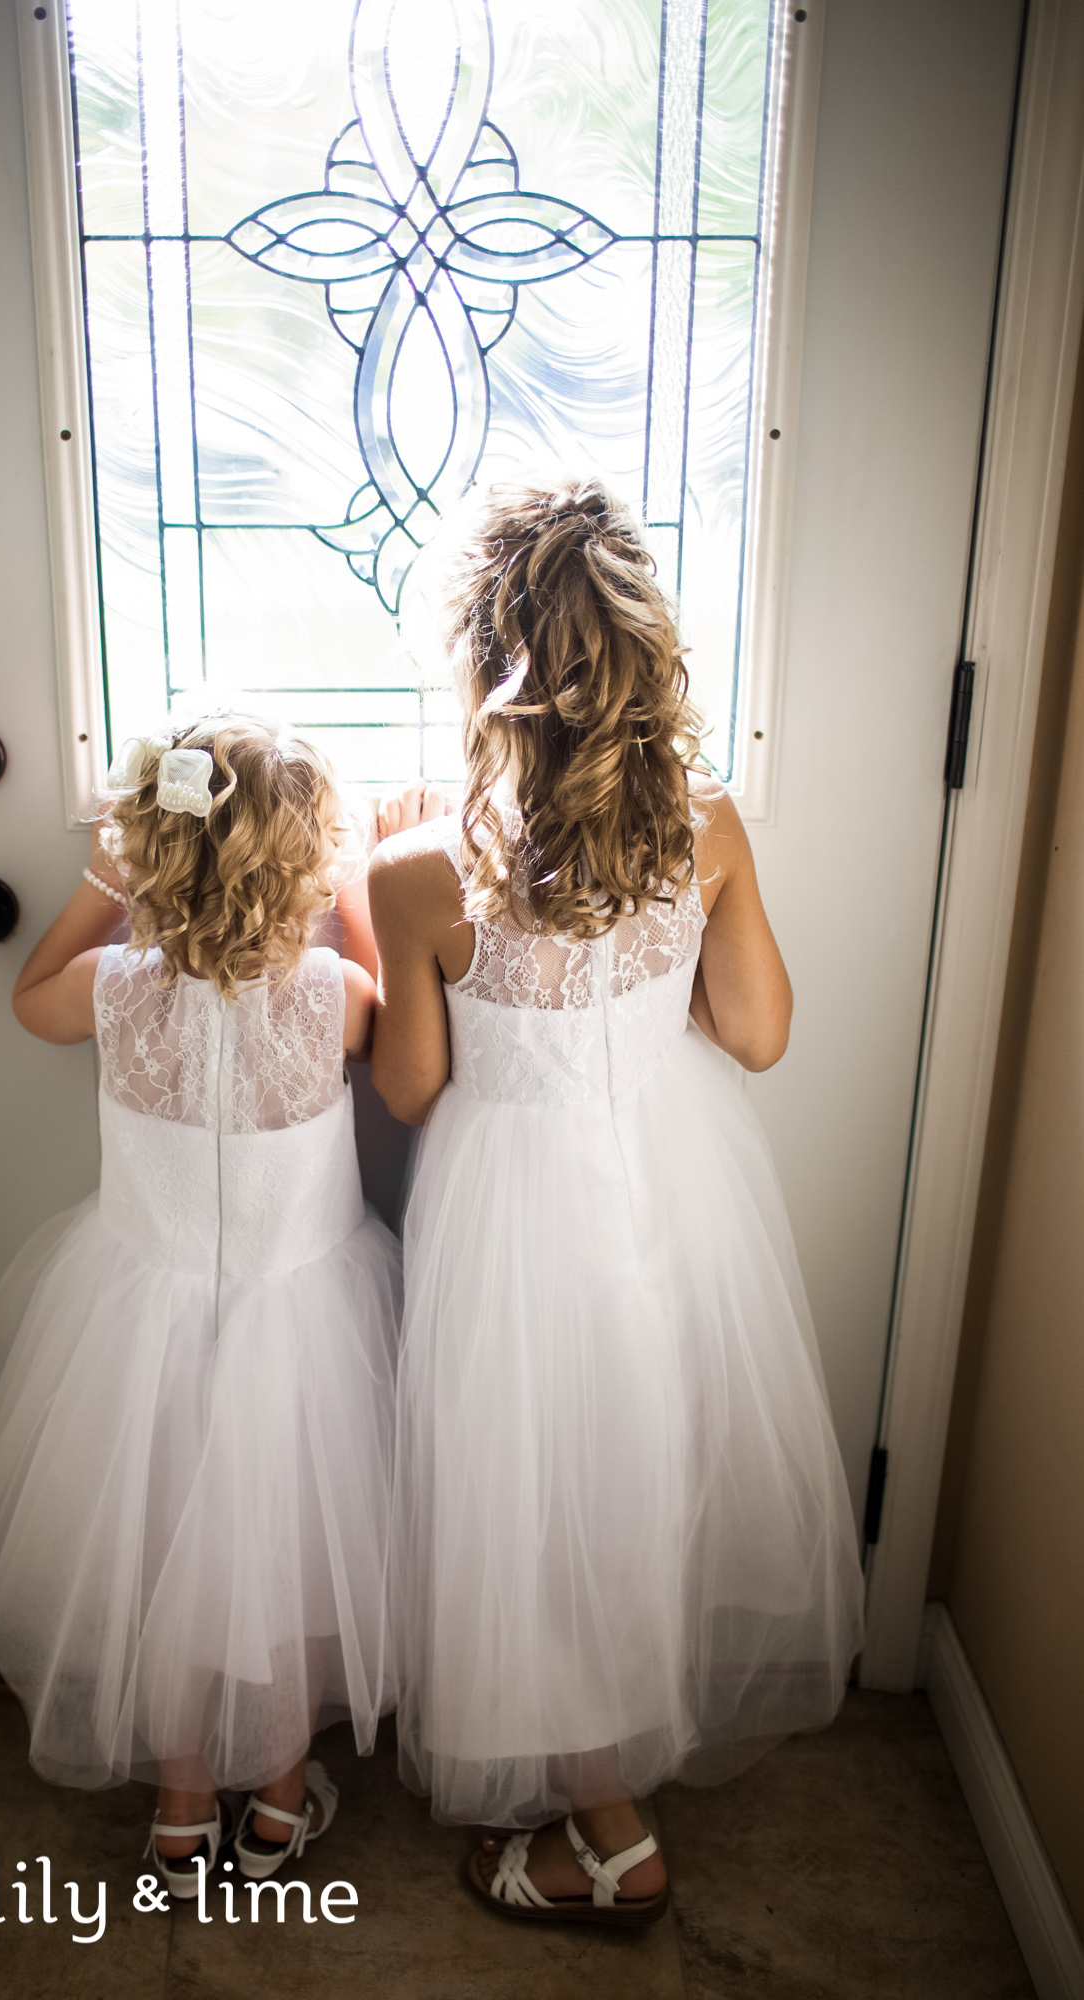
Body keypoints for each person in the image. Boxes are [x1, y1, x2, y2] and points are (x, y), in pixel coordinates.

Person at [368, 478, 865, 1928]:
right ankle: (612, 1761)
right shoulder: (702, 832)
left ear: (481, 669)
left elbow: (405, 1090)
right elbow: (760, 1034)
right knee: (635, 1471)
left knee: (524, 1499)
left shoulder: (416, 873)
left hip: (510, 1212)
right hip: (664, 1187)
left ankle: (610, 1833)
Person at [0, 712, 402, 1895]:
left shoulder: (107, 984)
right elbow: (398, 1030)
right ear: (303, 859)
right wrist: (357, 894)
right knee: (286, 1561)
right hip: (305, 1335)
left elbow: (26, 992)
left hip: (136, 1327)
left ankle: (183, 1813)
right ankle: (282, 1798)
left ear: (146, 846)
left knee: (161, 1564)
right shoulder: (332, 993)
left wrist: (104, 882)